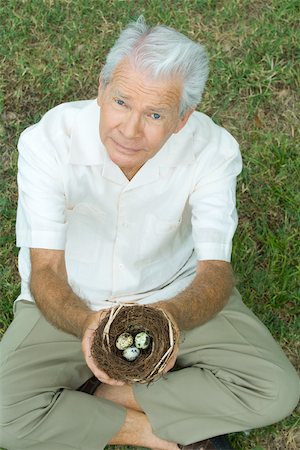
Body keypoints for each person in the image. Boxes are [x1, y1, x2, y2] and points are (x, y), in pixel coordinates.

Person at [0, 16, 298, 450]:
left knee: (277, 391)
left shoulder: (213, 149)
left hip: (175, 293)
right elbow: (45, 269)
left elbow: (215, 270)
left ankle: (105, 395)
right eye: (121, 102)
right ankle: (149, 430)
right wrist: (89, 328)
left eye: (155, 113)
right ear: (102, 89)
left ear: (182, 118)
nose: (130, 130)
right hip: (72, 300)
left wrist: (168, 321)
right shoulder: (47, 142)